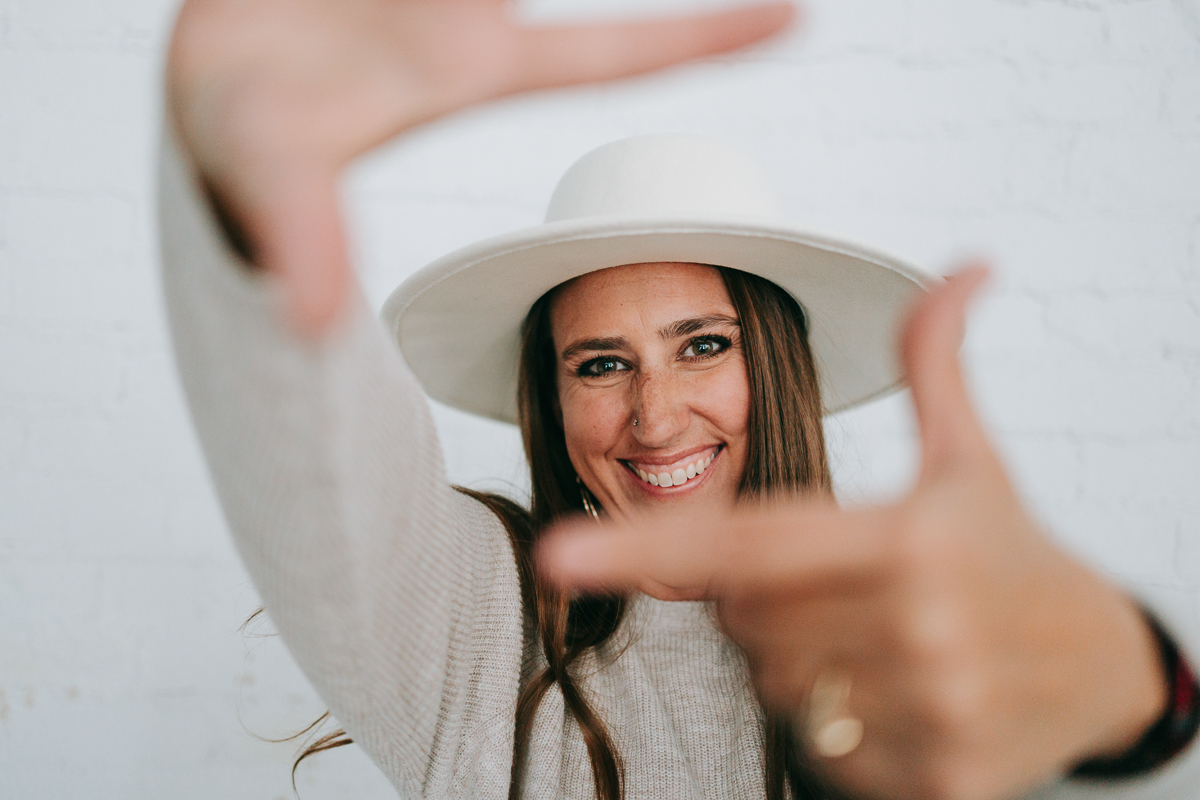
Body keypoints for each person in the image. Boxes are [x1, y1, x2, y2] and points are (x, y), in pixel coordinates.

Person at [161, 1, 1199, 799]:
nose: (654, 419)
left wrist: (1136, 685)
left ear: (778, 367)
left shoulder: (914, 626)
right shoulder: (470, 626)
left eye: (702, 346)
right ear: (550, 396)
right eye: (600, 363)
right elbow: (319, 462)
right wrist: (235, 204)